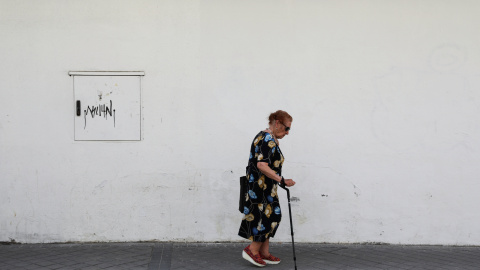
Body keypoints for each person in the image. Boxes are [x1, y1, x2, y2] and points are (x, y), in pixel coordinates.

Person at [238, 110, 296, 267]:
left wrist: (278, 181)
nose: (288, 132)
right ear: (277, 123)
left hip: (265, 187)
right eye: (286, 128)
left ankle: (263, 253)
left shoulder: (268, 138)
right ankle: (252, 251)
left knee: (271, 217)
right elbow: (262, 165)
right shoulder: (266, 139)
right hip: (260, 188)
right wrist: (281, 179)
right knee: (263, 219)